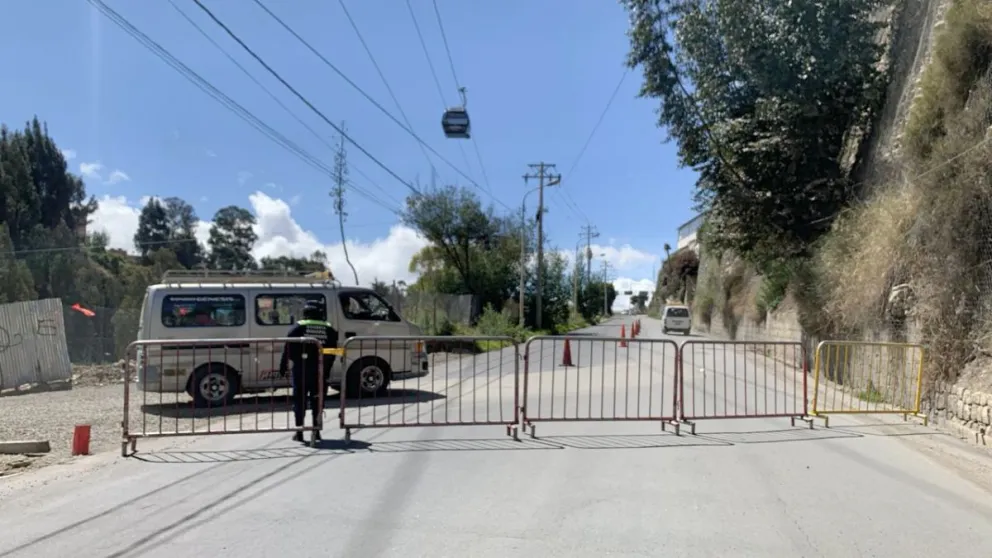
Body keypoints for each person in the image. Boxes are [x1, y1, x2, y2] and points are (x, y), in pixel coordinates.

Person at [278, 300, 338, 442]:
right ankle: (316, 431)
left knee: (299, 401)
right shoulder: (329, 329)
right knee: (318, 400)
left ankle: (299, 432)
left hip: (301, 370)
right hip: (320, 370)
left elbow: (288, 348)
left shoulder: (298, 328)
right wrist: (327, 370)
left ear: (305, 313)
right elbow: (332, 353)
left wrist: (283, 366)